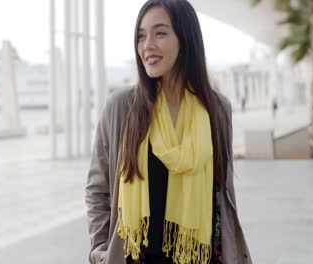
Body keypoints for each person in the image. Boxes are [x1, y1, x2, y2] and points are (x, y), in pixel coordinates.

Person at [85, 1, 251, 263]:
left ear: (185, 39)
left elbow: (222, 194)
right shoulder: (121, 107)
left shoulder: (216, 109)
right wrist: (100, 249)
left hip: (200, 256)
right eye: (141, 36)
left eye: (160, 33)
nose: (147, 45)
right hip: (137, 257)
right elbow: (98, 189)